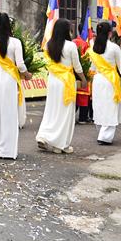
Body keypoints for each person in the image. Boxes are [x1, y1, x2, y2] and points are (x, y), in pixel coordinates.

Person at [35, 19, 86, 155]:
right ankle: (61, 144)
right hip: (66, 82)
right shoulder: (71, 46)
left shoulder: (48, 45)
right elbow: (77, 67)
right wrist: (83, 79)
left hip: (53, 80)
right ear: (67, 31)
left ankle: (44, 136)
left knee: (51, 110)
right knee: (65, 113)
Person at [0, 12, 31, 160]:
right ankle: (6, 150)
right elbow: (21, 65)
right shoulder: (15, 42)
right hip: (9, 80)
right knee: (9, 114)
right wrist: (27, 74)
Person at [89, 21, 121, 145]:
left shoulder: (93, 48)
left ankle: (101, 131)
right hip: (110, 81)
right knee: (111, 107)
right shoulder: (114, 47)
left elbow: (92, 68)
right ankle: (105, 136)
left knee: (100, 105)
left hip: (98, 79)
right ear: (110, 33)